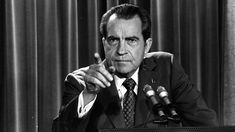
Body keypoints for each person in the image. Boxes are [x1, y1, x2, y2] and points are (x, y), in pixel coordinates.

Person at [52, 3, 218, 132]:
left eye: (131, 40)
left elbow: (206, 124)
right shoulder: (80, 81)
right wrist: (89, 94)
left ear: (146, 46)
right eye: (113, 40)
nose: (121, 50)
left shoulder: (167, 68)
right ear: (104, 44)